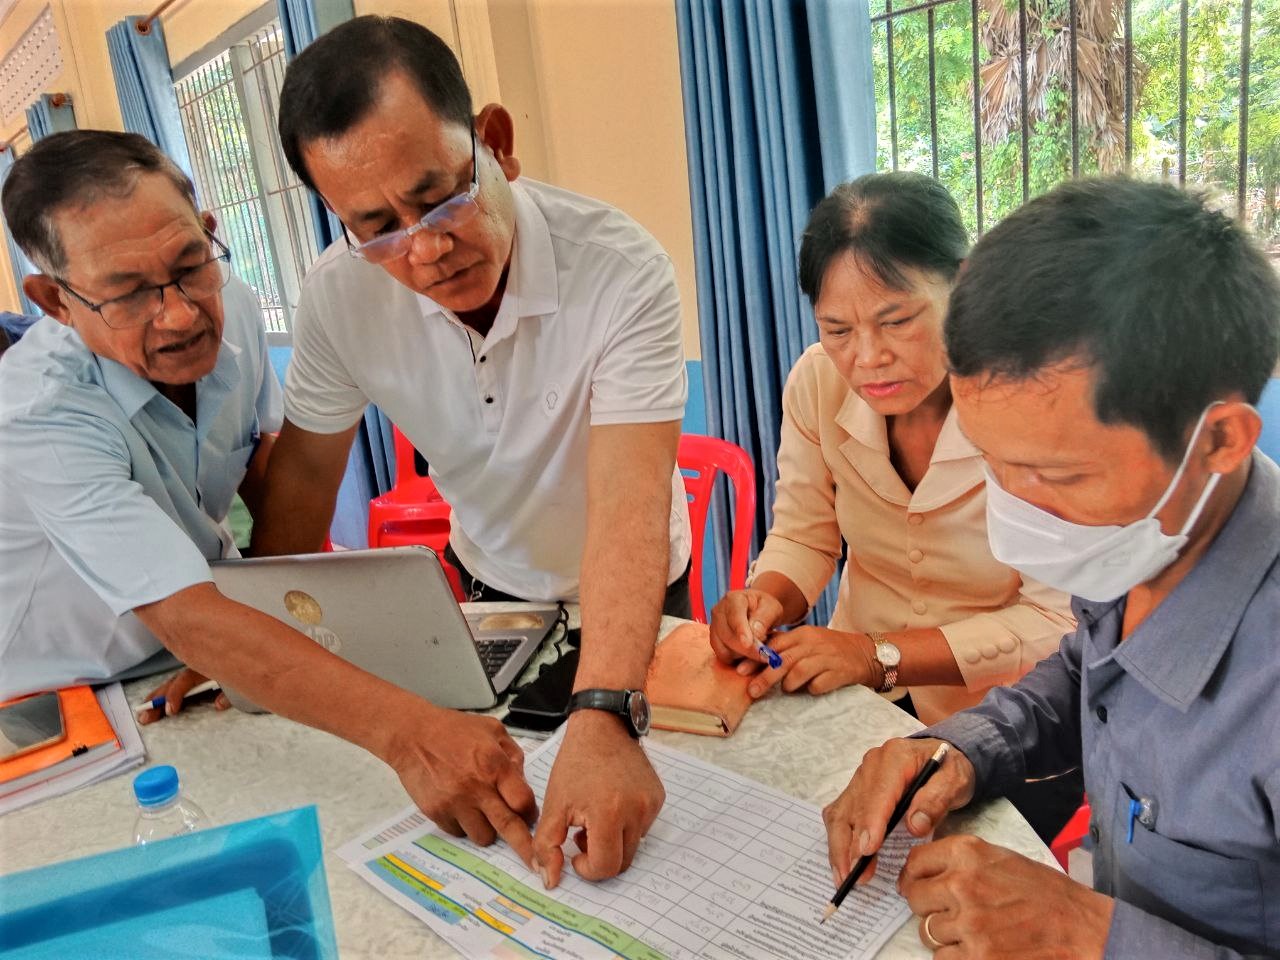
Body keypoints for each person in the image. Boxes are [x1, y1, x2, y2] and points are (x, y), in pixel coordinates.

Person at [0, 131, 542, 875]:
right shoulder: (40, 413)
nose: (182, 316)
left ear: (210, 234)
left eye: (191, 266)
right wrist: (412, 735)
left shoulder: (241, 317)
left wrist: (269, 636)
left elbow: (264, 474)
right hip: (59, 696)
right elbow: (185, 611)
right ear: (56, 302)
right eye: (128, 293)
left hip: (185, 659)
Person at [252, 16, 690, 887]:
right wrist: (247, 640)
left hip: (636, 582)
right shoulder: (339, 298)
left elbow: (629, 506)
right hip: (489, 588)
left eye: (439, 197)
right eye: (375, 225)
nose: (425, 250)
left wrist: (605, 712)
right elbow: (303, 479)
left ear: (494, 142)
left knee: (647, 801)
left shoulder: (618, 269)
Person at [823, 178, 1280, 958]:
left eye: (1058, 478)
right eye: (994, 464)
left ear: (1219, 441)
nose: (1020, 509)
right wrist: (961, 750)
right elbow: (1086, 680)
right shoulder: (1154, 540)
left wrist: (1087, 931)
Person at [708, 173, 1077, 837]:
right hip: (866, 703)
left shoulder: (1028, 400)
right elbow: (804, 532)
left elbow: (1055, 619)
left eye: (897, 320)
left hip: (1009, 723)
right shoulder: (817, 382)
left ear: (963, 283)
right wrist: (764, 597)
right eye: (837, 328)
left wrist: (879, 653)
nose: (868, 357)